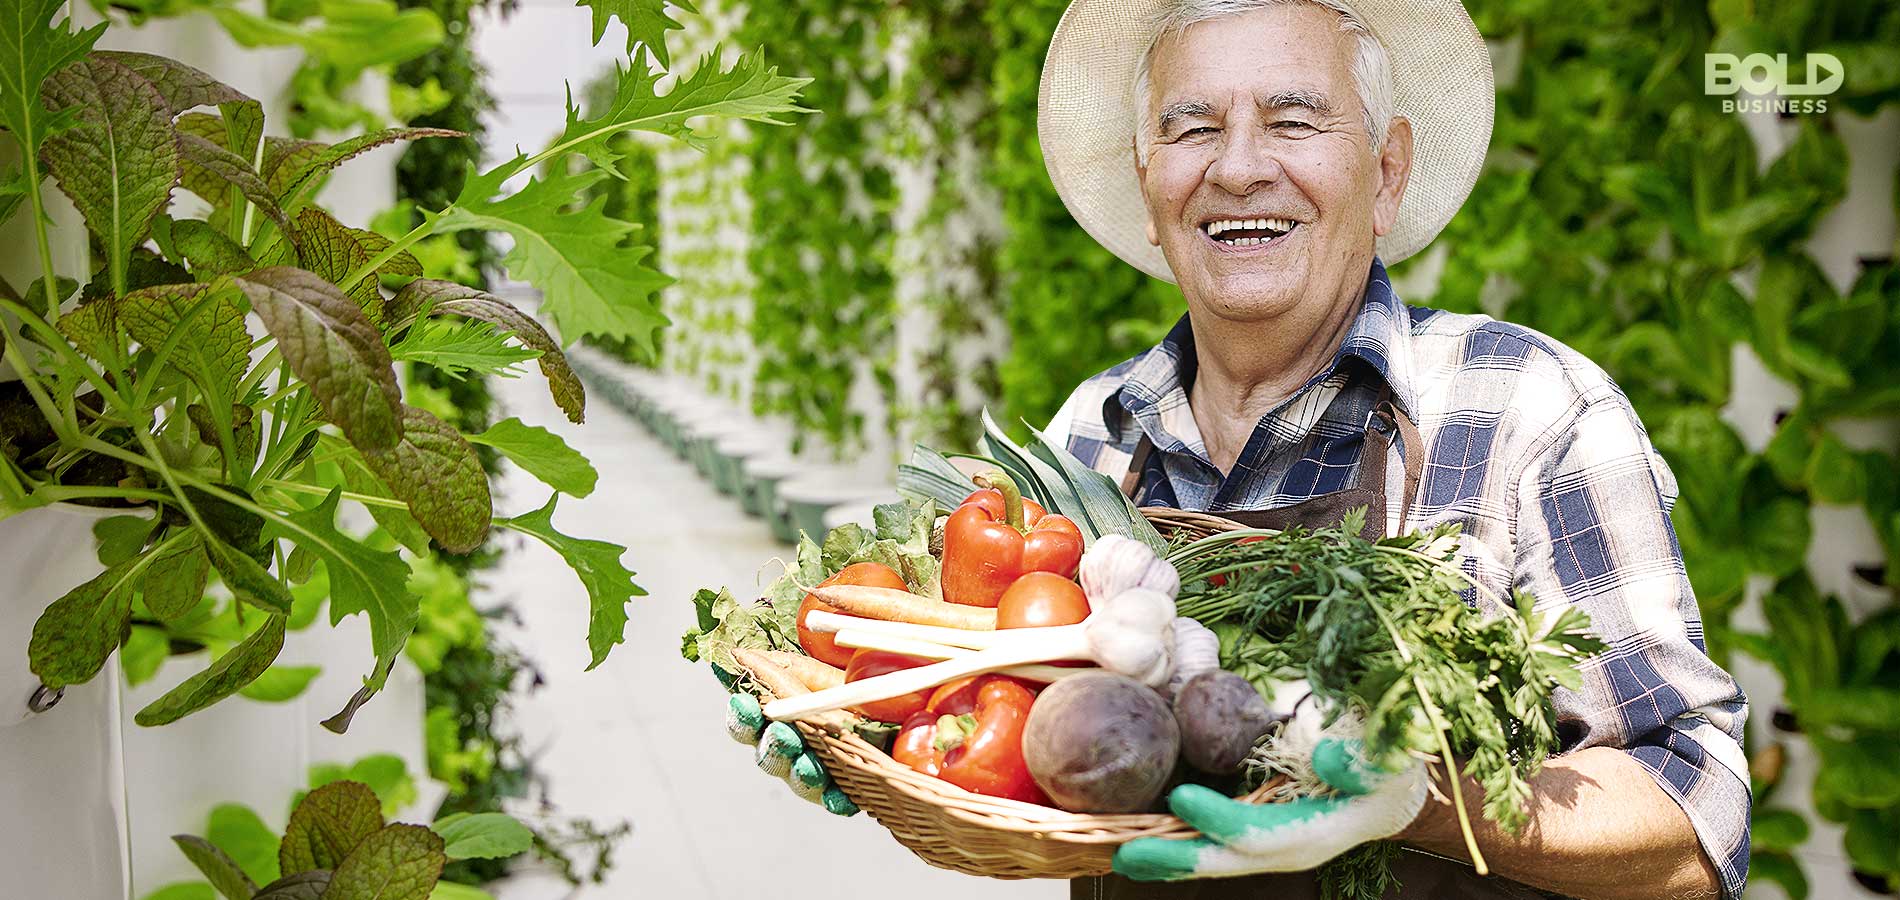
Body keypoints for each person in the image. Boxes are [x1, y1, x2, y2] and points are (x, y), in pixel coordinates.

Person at [1033, 0, 1749, 897]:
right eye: (1194, 128)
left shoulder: (1524, 405)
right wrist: (884, 716)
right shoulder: (1090, 436)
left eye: (1293, 122)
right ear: (1149, 186)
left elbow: (1697, 811)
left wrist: (1421, 802)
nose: (1242, 166)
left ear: (1386, 172)